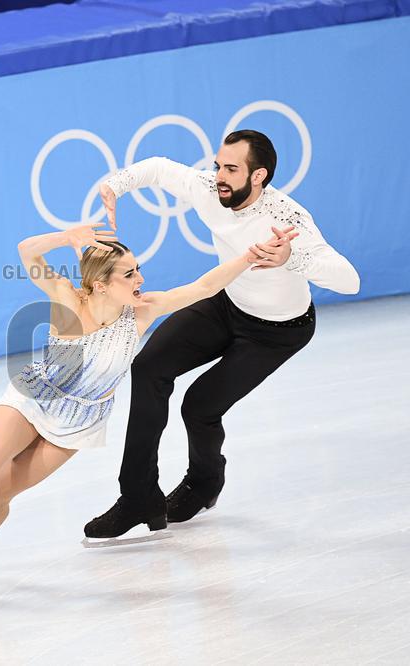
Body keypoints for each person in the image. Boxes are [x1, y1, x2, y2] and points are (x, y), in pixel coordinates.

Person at [0, 220, 285, 610]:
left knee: (2, 493)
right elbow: (26, 251)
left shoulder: (141, 312)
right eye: (129, 274)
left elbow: (203, 287)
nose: (140, 279)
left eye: (138, 270)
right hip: (34, 396)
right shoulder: (66, 297)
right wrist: (66, 238)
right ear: (100, 284)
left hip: (77, 422)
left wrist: (249, 257)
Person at [83, 129, 360, 540]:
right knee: (149, 366)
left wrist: (293, 257)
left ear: (259, 175)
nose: (219, 177)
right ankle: (138, 497)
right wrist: (116, 184)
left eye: (231, 169)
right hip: (226, 305)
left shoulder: (288, 218)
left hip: (278, 331)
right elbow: (159, 168)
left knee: (199, 406)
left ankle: (204, 483)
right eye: (218, 166)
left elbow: (350, 280)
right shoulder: (211, 190)